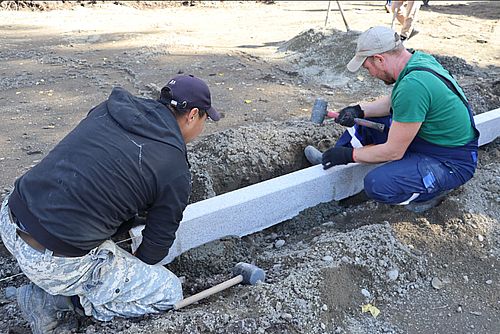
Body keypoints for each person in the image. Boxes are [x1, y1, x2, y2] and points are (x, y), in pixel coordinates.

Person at [0, 74, 220, 333]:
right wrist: (133, 267)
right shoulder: (173, 167)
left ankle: (60, 281)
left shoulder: (112, 109)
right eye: (205, 120)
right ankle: (58, 300)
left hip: (10, 217)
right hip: (52, 262)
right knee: (168, 292)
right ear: (193, 114)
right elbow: (154, 250)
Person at [304, 26, 479, 213]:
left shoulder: (413, 86)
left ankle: (429, 194)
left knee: (378, 184)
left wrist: (348, 156)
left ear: (379, 59)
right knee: (367, 122)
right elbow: (392, 103)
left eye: (368, 67)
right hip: (431, 140)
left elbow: (393, 152)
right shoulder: (416, 61)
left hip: (450, 161)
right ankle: (330, 160)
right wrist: (358, 111)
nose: (370, 74)